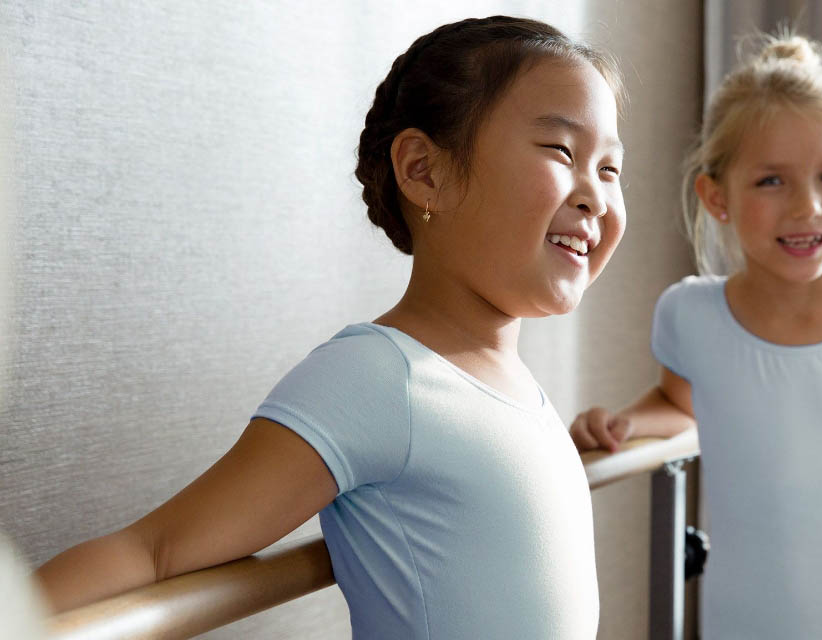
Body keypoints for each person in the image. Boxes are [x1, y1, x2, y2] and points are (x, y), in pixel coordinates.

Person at [35, 16, 627, 639]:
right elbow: (155, 550)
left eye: (610, 169)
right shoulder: (377, 379)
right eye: (562, 151)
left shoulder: (514, 387)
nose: (596, 195)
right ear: (425, 170)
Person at [571, 32, 822, 639]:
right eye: (772, 181)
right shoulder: (689, 313)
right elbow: (683, 406)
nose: (806, 207)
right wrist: (622, 424)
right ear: (716, 197)